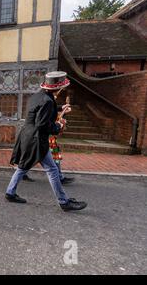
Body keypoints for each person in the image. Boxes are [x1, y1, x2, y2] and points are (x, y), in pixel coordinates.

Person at [5, 71, 87, 212]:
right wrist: (58, 126)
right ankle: (64, 202)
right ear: (58, 88)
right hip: (36, 139)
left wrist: (61, 108)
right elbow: (42, 124)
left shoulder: (38, 96)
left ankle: (10, 193)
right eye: (62, 88)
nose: (63, 90)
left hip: (27, 136)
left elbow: (41, 111)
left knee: (23, 167)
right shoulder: (48, 101)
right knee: (52, 169)